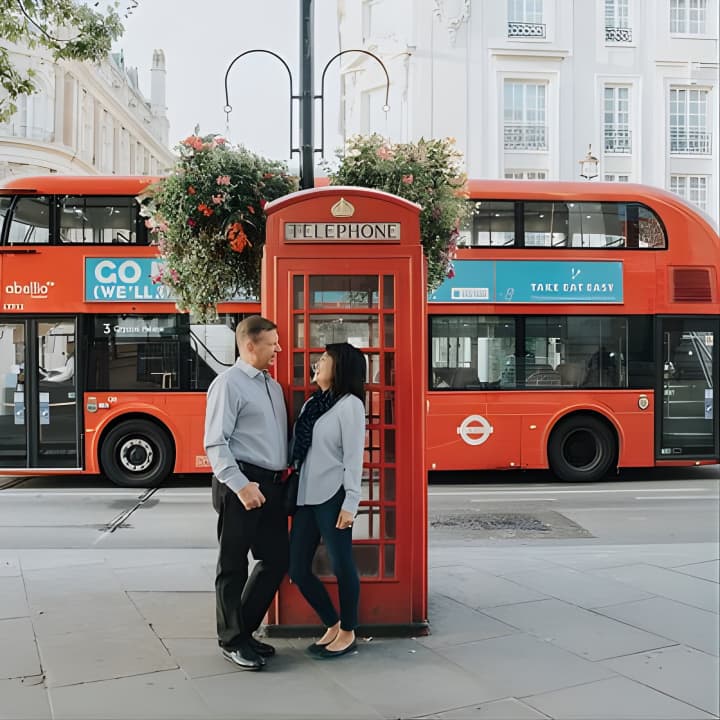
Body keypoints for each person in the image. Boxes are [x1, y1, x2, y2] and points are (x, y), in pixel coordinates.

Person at [204, 315, 289, 672]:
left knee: (276, 560)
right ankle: (231, 639)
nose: (278, 349)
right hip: (241, 482)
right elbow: (215, 442)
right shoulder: (229, 384)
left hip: (271, 484)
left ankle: (245, 630)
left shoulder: (271, 385)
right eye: (272, 343)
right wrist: (240, 485)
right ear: (250, 345)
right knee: (233, 565)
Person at [288, 342, 366, 659]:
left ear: (341, 367)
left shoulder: (350, 406)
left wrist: (351, 502)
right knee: (296, 568)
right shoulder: (313, 404)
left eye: (324, 359)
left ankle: (348, 630)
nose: (317, 363)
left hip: (334, 494)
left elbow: (353, 457)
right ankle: (331, 623)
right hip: (305, 494)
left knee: (341, 563)